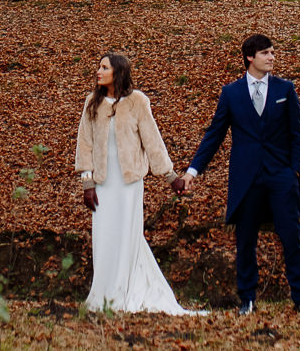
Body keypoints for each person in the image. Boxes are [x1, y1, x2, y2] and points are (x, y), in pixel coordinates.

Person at [173, 33, 300, 314]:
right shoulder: (231, 93)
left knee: (291, 237)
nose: (271, 57)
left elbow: (298, 135)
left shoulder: (286, 90)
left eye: (273, 52)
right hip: (246, 179)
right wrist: (192, 171)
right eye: (265, 53)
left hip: (280, 177)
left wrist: (294, 172)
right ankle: (246, 299)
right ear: (250, 57)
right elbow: (214, 135)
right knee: (245, 240)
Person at [74, 51, 203, 315]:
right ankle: (104, 294)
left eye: (104, 68)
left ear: (118, 72)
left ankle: (127, 291)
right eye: (98, 67)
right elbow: (84, 144)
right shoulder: (92, 103)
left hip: (128, 183)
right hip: (102, 184)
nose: (98, 71)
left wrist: (170, 177)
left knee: (128, 236)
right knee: (103, 237)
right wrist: (87, 183)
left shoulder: (137, 102)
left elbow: (152, 141)